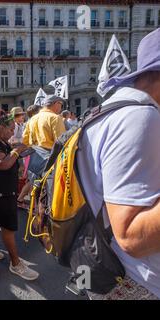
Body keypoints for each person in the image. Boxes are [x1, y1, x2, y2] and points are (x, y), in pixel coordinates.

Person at [76, 29, 160, 300]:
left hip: (108, 270)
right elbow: (131, 236)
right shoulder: (140, 117)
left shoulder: (110, 112)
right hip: (138, 283)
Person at [0, 110, 39, 281]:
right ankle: (16, 264)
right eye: (10, 129)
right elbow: (2, 164)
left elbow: (9, 159)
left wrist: (19, 152)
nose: (13, 132)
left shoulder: (0, 141)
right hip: (0, 194)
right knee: (8, 228)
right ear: (1, 127)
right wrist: (18, 151)